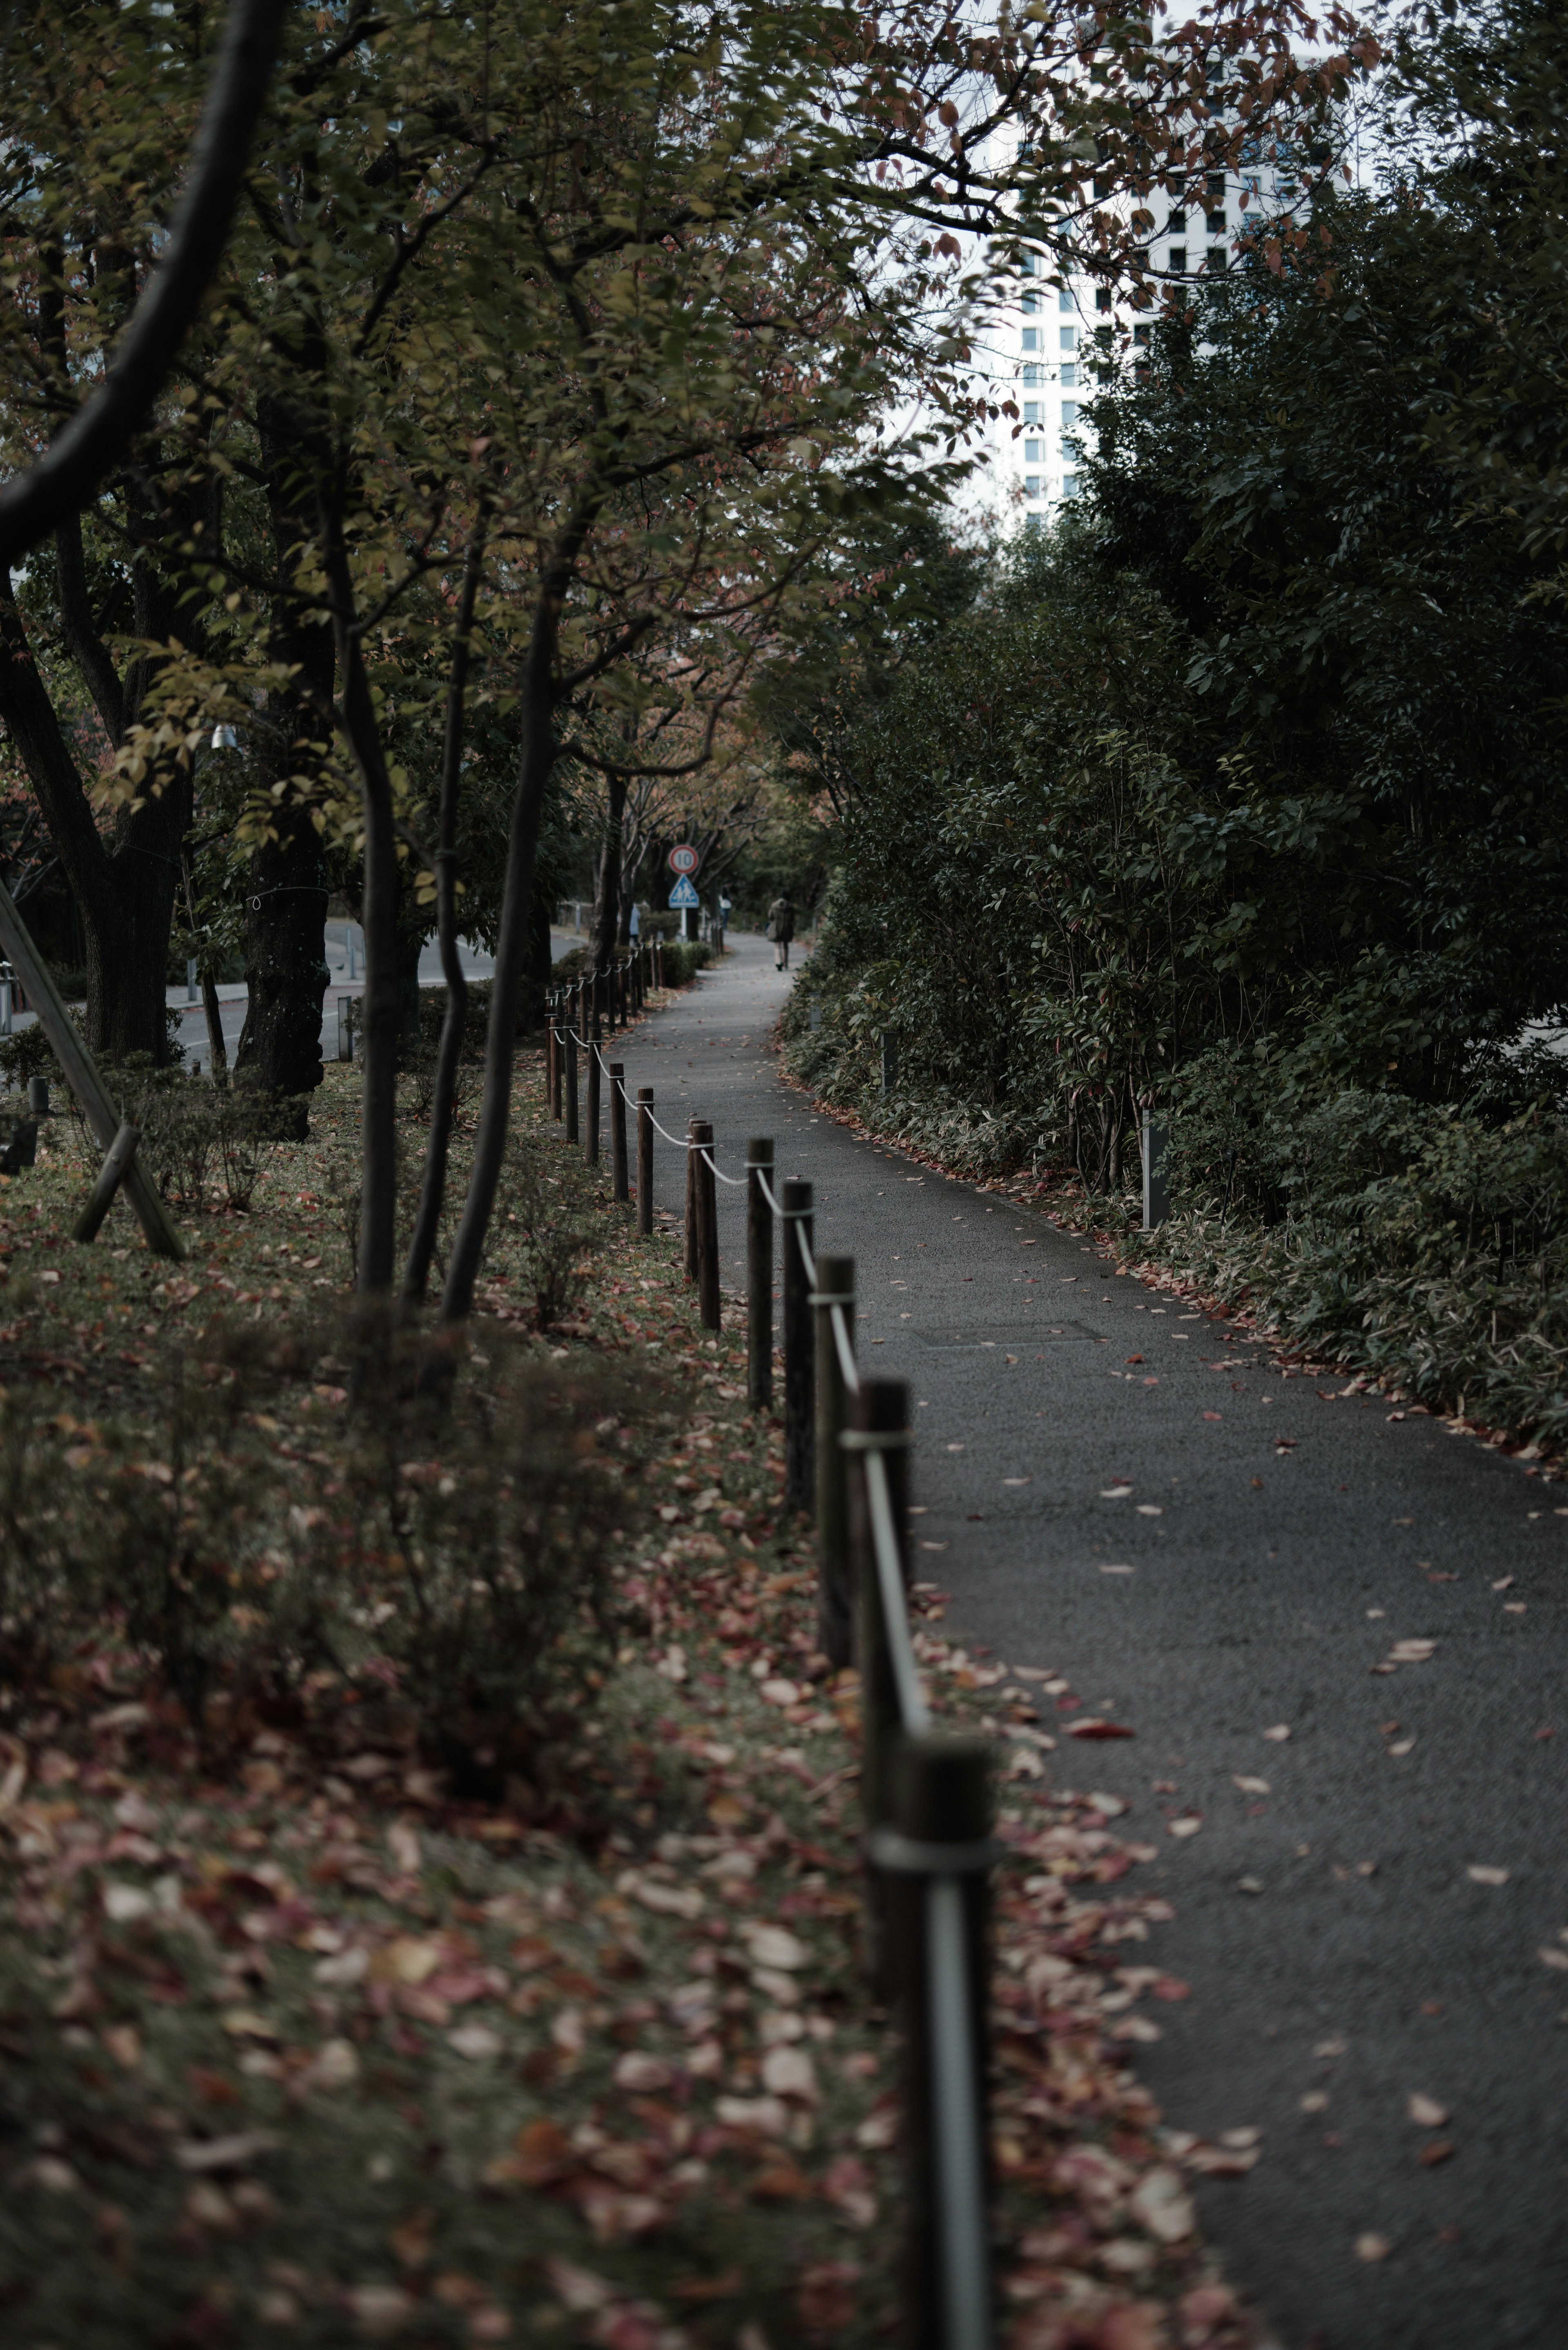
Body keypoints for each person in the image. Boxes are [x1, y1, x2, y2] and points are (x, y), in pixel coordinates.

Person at [766, 890, 796, 972]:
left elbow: (770, 916)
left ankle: (778, 962)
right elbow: (792, 918)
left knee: (777, 945)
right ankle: (785, 963)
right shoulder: (790, 907)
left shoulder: (774, 906)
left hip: (776, 927)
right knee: (785, 945)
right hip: (787, 927)